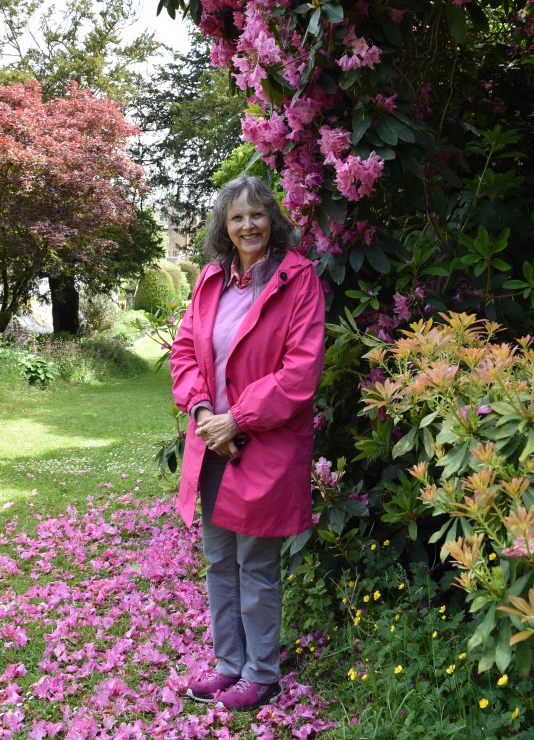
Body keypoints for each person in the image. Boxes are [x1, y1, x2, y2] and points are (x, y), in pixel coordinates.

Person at [169, 175, 326, 712]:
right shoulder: (210, 279)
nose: (248, 225)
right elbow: (185, 352)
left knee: (255, 565)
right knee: (218, 561)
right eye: (237, 217)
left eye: (257, 214)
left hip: (264, 444)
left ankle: (262, 673)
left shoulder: (297, 279)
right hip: (211, 439)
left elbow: (300, 373)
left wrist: (238, 419)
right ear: (225, 226)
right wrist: (204, 411)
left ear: (272, 220)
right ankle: (228, 666)